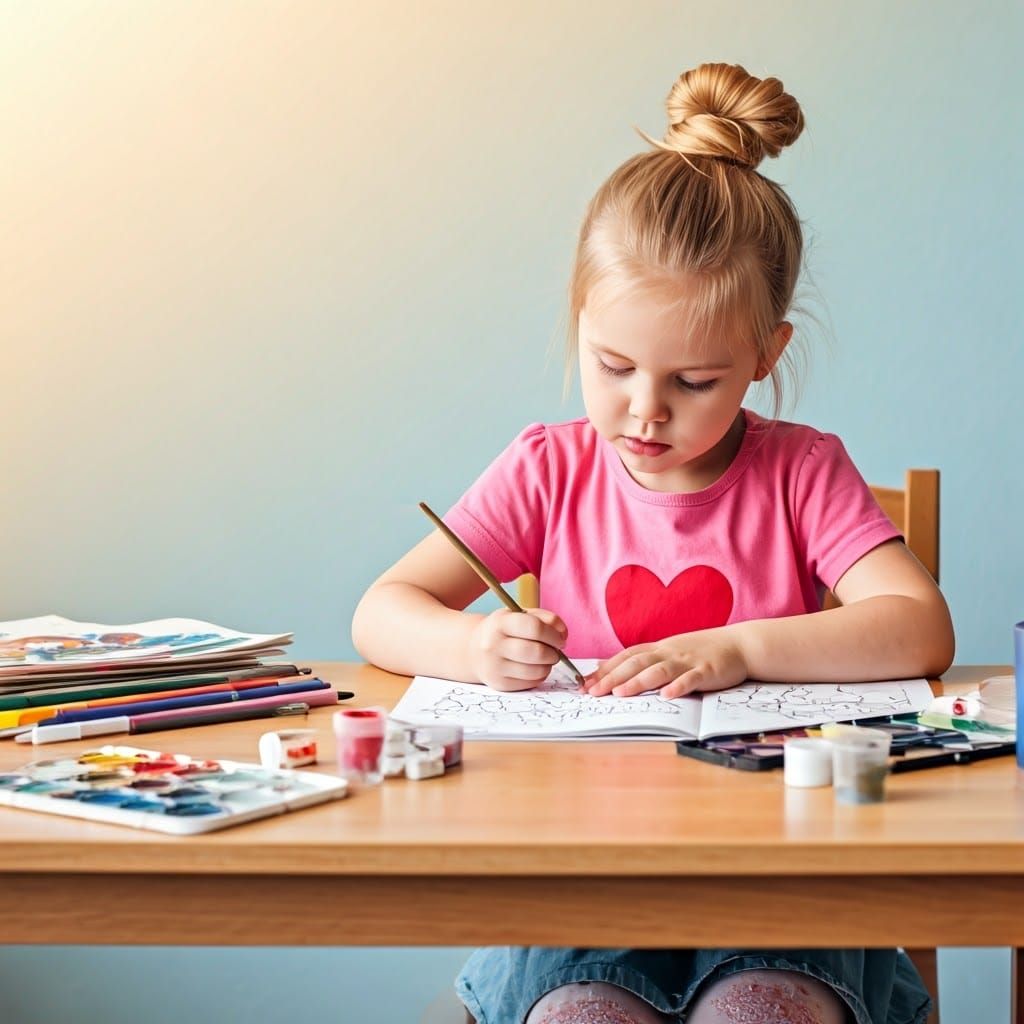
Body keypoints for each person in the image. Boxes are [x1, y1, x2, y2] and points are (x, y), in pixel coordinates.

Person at [352, 61, 954, 1024]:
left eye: (697, 381)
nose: (646, 411)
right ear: (580, 323)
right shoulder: (548, 469)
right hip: (583, 870)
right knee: (582, 1013)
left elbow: (918, 628)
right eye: (615, 365)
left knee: (761, 1010)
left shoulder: (801, 470)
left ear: (766, 356)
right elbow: (381, 612)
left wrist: (742, 648)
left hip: (781, 873)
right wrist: (472, 646)